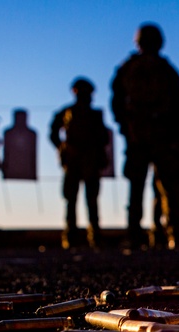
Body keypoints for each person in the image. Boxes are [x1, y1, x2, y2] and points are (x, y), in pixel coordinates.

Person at [110, 22, 179, 249]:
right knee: (142, 187)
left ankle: (166, 233)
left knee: (166, 187)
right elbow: (116, 103)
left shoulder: (166, 71)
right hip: (142, 137)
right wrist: (127, 127)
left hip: (161, 137)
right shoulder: (131, 69)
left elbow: (178, 108)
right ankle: (142, 234)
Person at [50, 77, 111, 249]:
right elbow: (54, 133)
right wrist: (63, 148)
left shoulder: (93, 115)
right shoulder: (68, 113)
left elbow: (103, 138)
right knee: (74, 199)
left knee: (89, 200)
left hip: (88, 161)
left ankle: (90, 237)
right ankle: (74, 237)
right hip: (75, 161)